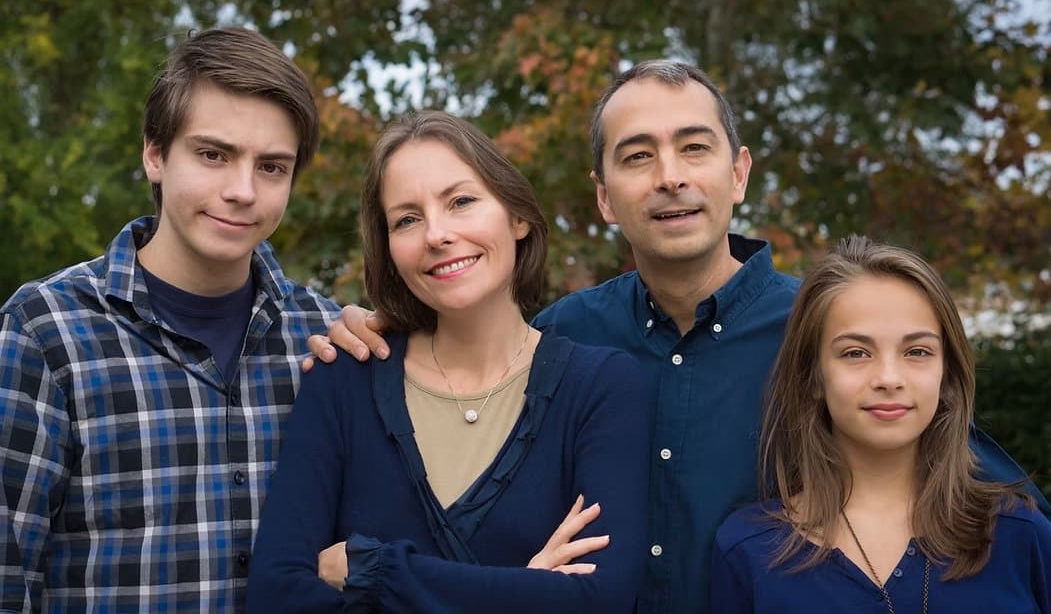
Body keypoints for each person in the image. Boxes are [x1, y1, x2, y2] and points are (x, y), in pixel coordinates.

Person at [308, 60, 1049, 613]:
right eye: (636, 157)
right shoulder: (562, 337)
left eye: (693, 149)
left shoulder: (828, 332)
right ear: (603, 196)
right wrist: (388, 327)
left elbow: (967, 482)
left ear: (738, 174)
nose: (668, 177)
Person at [246, 111, 650, 612]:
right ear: (389, 247)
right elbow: (277, 595)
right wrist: (523, 592)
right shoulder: (343, 377)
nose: (436, 234)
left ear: (517, 216)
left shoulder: (602, 388)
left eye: (461, 202)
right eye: (407, 219)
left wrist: (377, 571)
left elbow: (600, 599)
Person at [0, 28, 341, 611]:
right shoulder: (45, 332)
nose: (242, 190)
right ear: (155, 154)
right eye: (213, 154)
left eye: (272, 167)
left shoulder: (327, 338)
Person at [711, 236, 1051, 613]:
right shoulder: (749, 550)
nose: (889, 378)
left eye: (917, 351)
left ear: (948, 376)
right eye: (856, 352)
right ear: (813, 378)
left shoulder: (1019, 534)